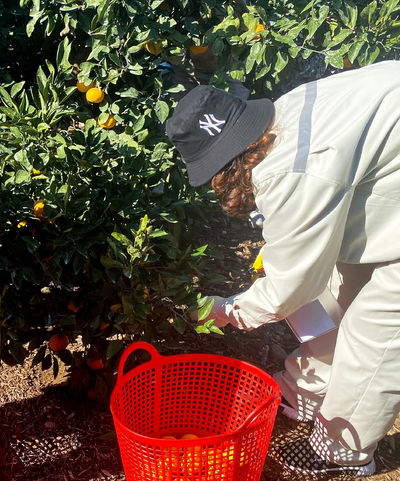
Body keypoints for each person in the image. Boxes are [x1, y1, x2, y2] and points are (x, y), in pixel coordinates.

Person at [166, 60, 400, 477]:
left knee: (376, 333)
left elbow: (290, 288)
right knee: (339, 292)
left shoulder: (292, 169)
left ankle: (341, 455)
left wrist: (225, 310)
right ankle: (305, 390)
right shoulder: (285, 112)